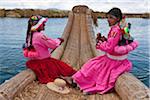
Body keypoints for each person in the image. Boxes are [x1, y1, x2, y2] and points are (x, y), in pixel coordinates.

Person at [64, 7, 139, 94]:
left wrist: (99, 44)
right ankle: (74, 80)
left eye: (111, 18)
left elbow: (109, 48)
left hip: (113, 61)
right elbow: (116, 42)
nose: (108, 20)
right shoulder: (120, 28)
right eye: (107, 17)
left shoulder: (116, 30)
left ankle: (76, 81)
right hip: (117, 59)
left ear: (117, 19)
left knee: (92, 65)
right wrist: (105, 40)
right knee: (91, 64)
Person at [22, 15, 76, 84]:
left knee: (59, 69)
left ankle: (64, 78)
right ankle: (66, 78)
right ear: (38, 25)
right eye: (43, 24)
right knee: (65, 69)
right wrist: (59, 40)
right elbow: (52, 45)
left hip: (34, 62)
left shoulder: (29, 35)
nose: (44, 25)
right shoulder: (40, 36)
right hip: (44, 62)